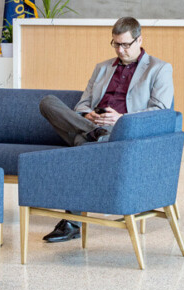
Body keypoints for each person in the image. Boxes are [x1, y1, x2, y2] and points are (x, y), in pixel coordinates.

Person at [38, 16, 174, 242]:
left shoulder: (159, 69)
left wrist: (121, 119)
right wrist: (86, 115)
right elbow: (82, 103)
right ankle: (92, 133)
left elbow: (160, 112)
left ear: (140, 40)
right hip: (93, 126)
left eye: (125, 45)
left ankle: (72, 221)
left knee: (82, 146)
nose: (120, 50)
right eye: (116, 44)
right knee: (47, 102)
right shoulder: (102, 68)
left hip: (123, 131)